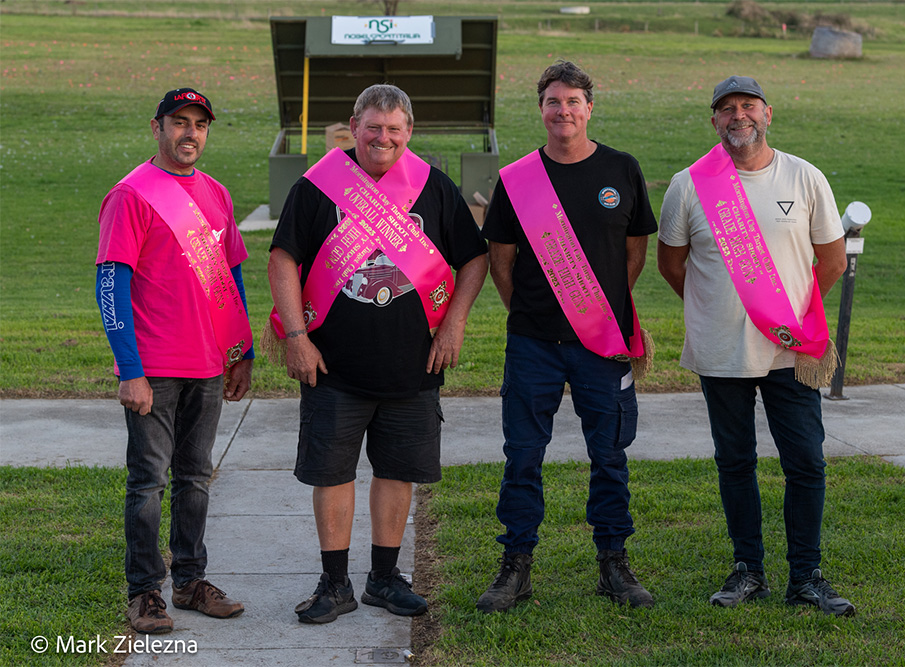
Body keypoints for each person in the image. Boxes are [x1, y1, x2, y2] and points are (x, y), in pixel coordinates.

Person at [267, 84, 488, 624]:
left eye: (394, 129)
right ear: (354, 126)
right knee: (333, 473)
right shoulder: (319, 185)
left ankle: (385, 580)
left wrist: (453, 324)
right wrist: (296, 336)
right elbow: (282, 259)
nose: (382, 138)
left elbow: (474, 259)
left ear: (409, 132)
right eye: (372, 127)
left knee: (396, 471)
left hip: (414, 364)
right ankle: (334, 583)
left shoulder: (433, 186)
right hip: (332, 364)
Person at [657, 75, 855, 616]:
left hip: (792, 350)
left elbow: (832, 261)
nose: (738, 116)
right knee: (735, 461)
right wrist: (717, 306)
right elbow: (673, 266)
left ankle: (806, 576)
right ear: (714, 121)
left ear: (768, 113)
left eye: (748, 106)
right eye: (726, 109)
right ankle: (748, 569)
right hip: (721, 351)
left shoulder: (805, 176)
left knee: (806, 463)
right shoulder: (690, 184)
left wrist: (792, 317)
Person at [477, 61, 657, 613]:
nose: (564, 111)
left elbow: (633, 252)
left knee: (609, 454)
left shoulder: (622, 169)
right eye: (554, 101)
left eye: (574, 101)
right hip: (533, 342)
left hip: (602, 343)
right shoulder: (516, 179)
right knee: (523, 456)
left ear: (590, 107)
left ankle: (614, 563)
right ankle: (516, 568)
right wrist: (537, 312)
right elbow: (500, 261)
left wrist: (597, 312)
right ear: (541, 109)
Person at [96, 88, 254, 634]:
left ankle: (189, 582)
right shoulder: (131, 195)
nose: (191, 133)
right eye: (180, 122)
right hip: (154, 366)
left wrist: (242, 353)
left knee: (196, 477)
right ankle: (144, 593)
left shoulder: (216, 193)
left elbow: (230, 277)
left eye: (200, 125)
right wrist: (129, 368)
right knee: (147, 482)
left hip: (209, 364)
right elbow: (110, 282)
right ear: (157, 127)